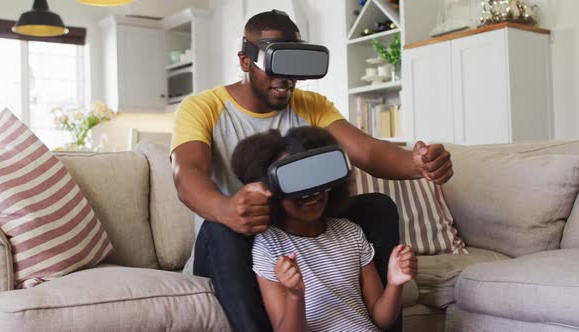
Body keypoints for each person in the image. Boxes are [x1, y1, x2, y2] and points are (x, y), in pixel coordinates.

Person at [170, 10, 453, 332]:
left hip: (294, 230)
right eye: (275, 64)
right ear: (245, 61)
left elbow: (366, 150)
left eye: (294, 66)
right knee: (221, 229)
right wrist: (227, 209)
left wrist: (418, 164)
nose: (286, 79)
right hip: (238, 238)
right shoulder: (202, 107)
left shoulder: (312, 104)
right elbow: (187, 174)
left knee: (377, 206)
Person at [231, 126, 418, 332]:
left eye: (317, 178)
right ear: (272, 190)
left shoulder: (351, 232)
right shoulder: (269, 245)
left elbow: (381, 320)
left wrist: (395, 283)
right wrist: (295, 294)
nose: (312, 195)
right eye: (297, 183)